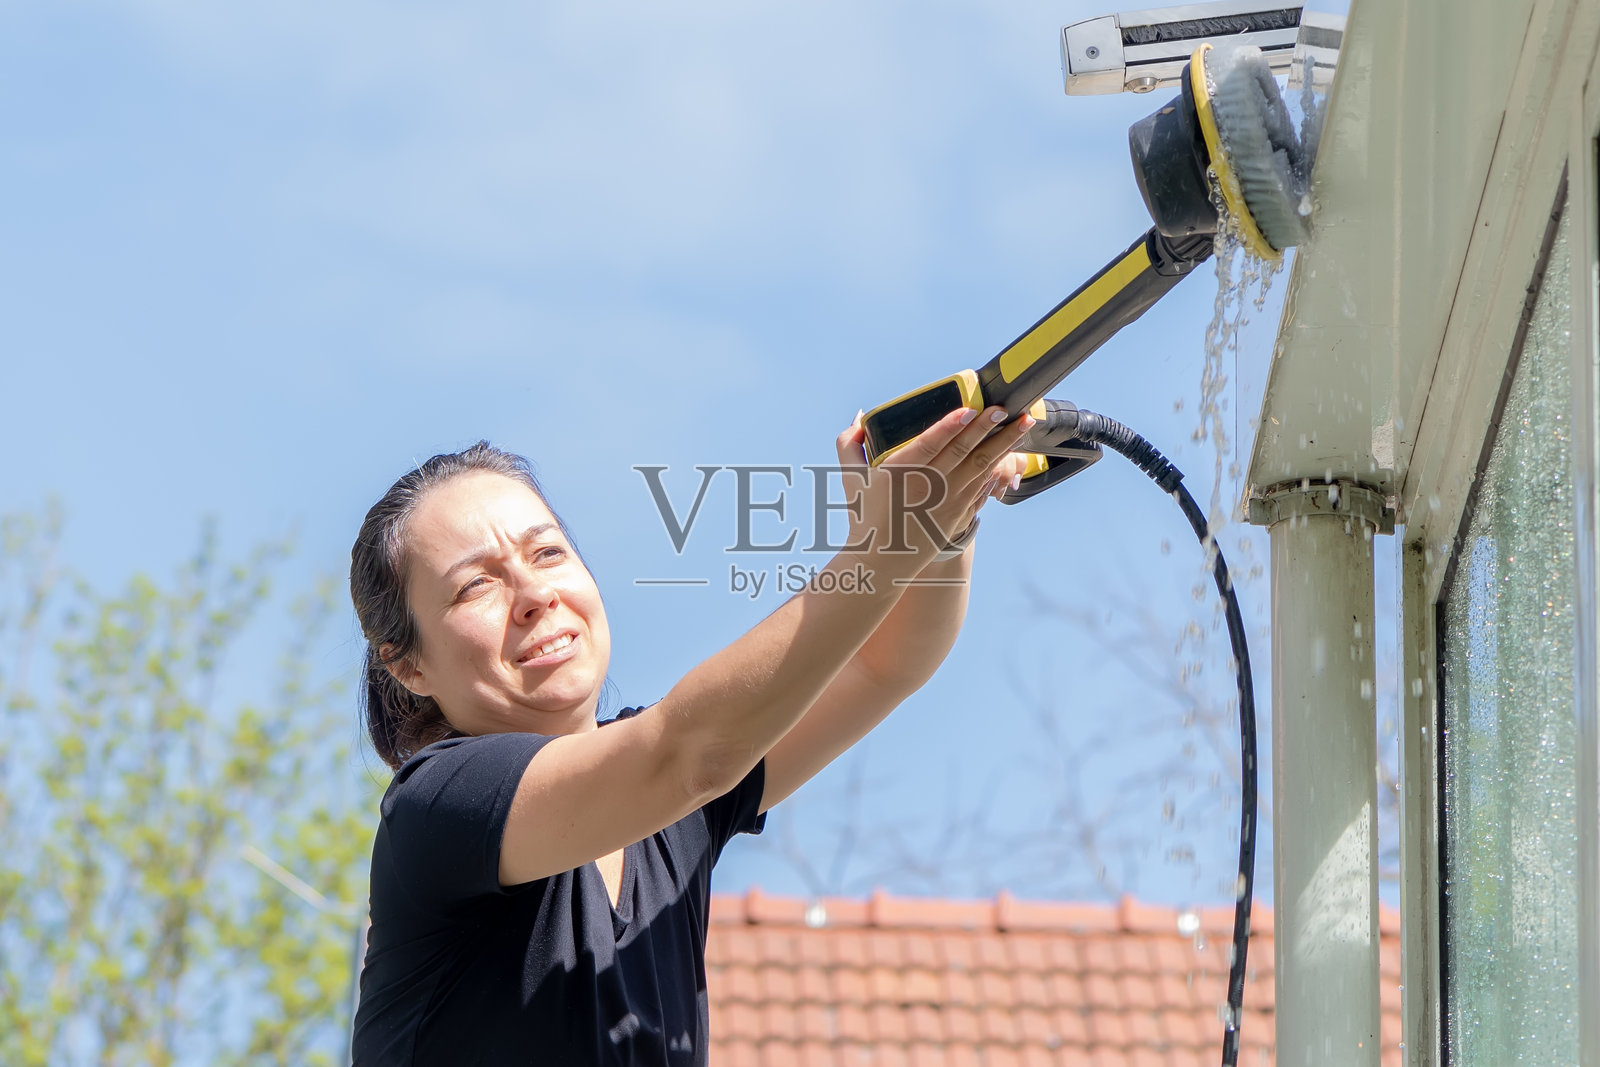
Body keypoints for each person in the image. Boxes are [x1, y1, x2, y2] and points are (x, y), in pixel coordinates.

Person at [347, 405, 1034, 1066]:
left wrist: (945, 517)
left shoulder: (672, 811)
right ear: (407, 663)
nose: (534, 593)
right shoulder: (437, 806)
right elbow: (690, 752)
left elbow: (884, 663)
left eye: (548, 551)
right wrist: (887, 541)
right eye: (475, 586)